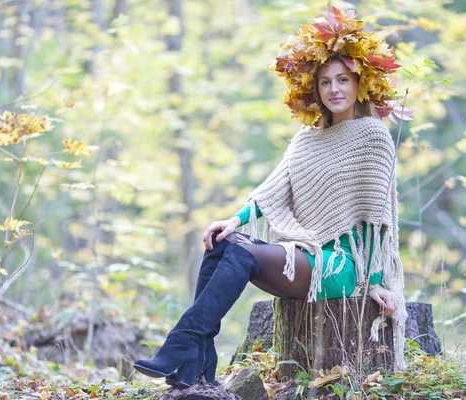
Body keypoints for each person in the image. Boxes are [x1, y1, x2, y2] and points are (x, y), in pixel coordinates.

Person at [133, 6, 408, 388]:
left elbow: (376, 220)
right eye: (325, 82)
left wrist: (375, 283)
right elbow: (271, 191)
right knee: (223, 243)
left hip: (345, 268)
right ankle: (196, 362)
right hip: (306, 253)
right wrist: (233, 221)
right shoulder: (306, 140)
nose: (334, 89)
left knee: (242, 253)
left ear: (359, 83)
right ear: (314, 89)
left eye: (343, 79)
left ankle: (180, 346)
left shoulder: (373, 137)